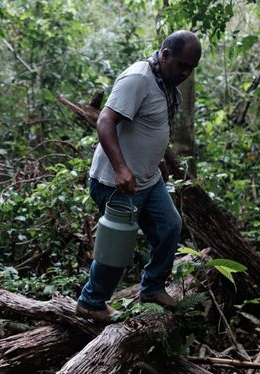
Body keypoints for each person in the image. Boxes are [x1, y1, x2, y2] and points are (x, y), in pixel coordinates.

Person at [76, 30, 202, 321]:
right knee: (119, 243)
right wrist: (121, 168)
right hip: (116, 182)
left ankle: (152, 288)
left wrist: (158, 161)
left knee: (170, 226)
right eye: (182, 65)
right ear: (165, 55)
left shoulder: (167, 84)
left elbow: (151, 127)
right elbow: (106, 121)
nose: (185, 73)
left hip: (147, 178)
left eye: (190, 68)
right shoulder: (138, 79)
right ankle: (91, 302)